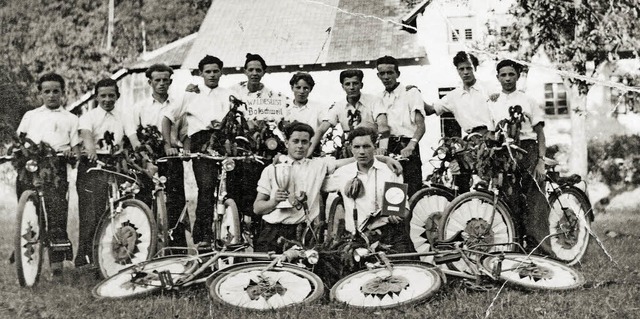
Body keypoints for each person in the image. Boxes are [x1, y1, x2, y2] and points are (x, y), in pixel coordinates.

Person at [253, 122, 402, 253]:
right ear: (287, 143)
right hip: (272, 231)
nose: (300, 146)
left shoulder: (318, 165)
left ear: (310, 144)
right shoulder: (272, 169)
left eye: (304, 142)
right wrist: (273, 202)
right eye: (295, 141)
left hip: (302, 232)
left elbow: (353, 159)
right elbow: (257, 208)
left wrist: (384, 159)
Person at [162, 55, 236, 247]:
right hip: (201, 142)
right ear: (201, 73)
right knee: (206, 187)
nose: (212, 75)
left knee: (232, 188)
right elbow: (167, 117)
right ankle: (202, 236)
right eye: (208, 72)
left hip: (225, 142)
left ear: (221, 72)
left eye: (216, 71)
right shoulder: (191, 94)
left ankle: (234, 233)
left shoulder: (229, 94)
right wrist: (168, 144)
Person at [15, 72, 80, 275]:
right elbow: (19, 141)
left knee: (57, 214)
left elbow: (76, 149)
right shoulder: (31, 116)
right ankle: (28, 258)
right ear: (40, 94)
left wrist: (71, 153)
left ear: (62, 93)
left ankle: (56, 264)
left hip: (56, 166)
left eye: (56, 91)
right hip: (31, 164)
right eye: (47, 92)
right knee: (30, 212)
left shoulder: (70, 118)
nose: (51, 95)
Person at [126, 63, 188, 248]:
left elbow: (184, 134)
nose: (161, 84)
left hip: (171, 156)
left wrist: (184, 149)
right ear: (149, 82)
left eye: (165, 80)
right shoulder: (139, 107)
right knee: (145, 199)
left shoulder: (178, 106)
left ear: (170, 82)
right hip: (146, 157)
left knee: (176, 201)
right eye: (157, 80)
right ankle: (145, 247)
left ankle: (177, 248)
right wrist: (142, 154)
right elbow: (132, 134)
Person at [489, 59, 547, 246]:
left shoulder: (527, 100)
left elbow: (540, 134)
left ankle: (538, 248)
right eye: (503, 75)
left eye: (511, 74)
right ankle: (514, 245)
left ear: (518, 76)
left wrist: (540, 161)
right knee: (509, 200)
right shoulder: (493, 102)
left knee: (533, 201)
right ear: (497, 77)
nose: (507, 79)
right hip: (505, 154)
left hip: (528, 151)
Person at [329, 126, 413, 253]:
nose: (362, 152)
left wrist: (396, 215)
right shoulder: (342, 173)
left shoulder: (389, 171)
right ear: (350, 148)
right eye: (356, 147)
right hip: (356, 239)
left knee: (409, 269)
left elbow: (404, 210)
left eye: (366, 146)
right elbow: (316, 179)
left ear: (375, 146)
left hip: (389, 236)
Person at [75, 78, 129, 268]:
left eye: (111, 95)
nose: (107, 99)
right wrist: (91, 151)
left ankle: (119, 254)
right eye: (103, 95)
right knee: (92, 211)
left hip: (116, 163)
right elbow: (87, 136)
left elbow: (131, 137)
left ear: (117, 96)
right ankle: (87, 258)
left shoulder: (123, 116)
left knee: (121, 208)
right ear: (96, 96)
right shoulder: (88, 117)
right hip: (93, 163)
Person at [374, 55, 426, 197]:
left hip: (408, 146)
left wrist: (411, 145)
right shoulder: (379, 98)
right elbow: (382, 126)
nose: (386, 77)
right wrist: (381, 148)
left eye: (390, 73)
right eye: (382, 73)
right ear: (378, 75)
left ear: (397, 74)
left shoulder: (411, 93)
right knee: (393, 194)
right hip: (388, 147)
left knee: (413, 192)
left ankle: (412, 218)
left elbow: (421, 125)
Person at [308, 69, 384, 158]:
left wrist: (382, 147)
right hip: (350, 150)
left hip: (372, 147)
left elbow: (383, 123)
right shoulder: (338, 106)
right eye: (347, 84)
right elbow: (321, 129)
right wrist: (308, 151)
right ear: (343, 86)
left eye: (355, 83)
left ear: (361, 85)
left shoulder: (374, 101)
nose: (351, 87)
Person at [424, 51, 495, 134]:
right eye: (461, 69)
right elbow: (430, 110)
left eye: (469, 68)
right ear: (457, 71)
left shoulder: (488, 88)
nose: (465, 72)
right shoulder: (453, 96)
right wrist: (414, 92)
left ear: (475, 68)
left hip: (492, 137)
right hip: (470, 141)